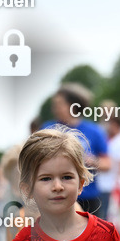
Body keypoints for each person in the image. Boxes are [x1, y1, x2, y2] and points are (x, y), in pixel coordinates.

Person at [41, 84, 110, 218]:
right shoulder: (47, 128)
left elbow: (108, 164)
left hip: (89, 197)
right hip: (56, 196)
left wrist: (92, 161)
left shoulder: (94, 131)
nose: (54, 108)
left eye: (59, 104)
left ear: (73, 105)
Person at [95, 106, 120, 223]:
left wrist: (119, 185)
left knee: (108, 217)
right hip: (101, 184)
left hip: (111, 186)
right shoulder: (107, 139)